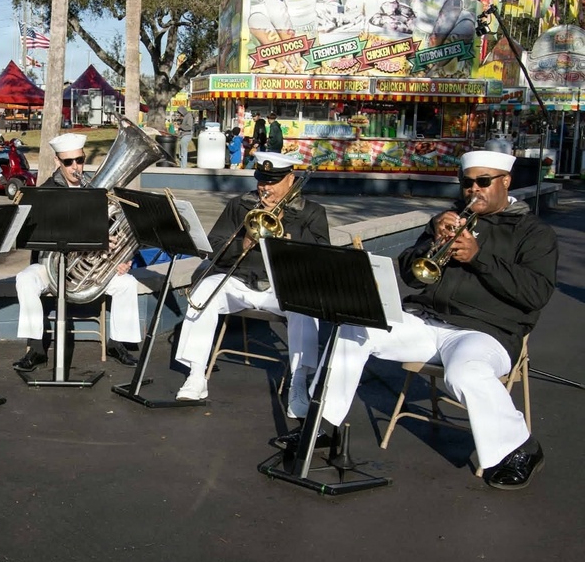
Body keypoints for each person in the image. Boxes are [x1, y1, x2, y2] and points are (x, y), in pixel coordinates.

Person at [286, 150, 557, 490]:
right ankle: (321, 427)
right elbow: (412, 277)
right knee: (354, 325)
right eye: (467, 183)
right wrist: (432, 236)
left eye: (483, 182)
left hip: (486, 332)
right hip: (426, 322)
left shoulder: (534, 233)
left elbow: (536, 294)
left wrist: (479, 256)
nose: (474, 190)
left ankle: (519, 448)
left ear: (506, 182)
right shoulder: (450, 218)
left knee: (465, 372)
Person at [175, 154, 329, 402]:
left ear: (290, 179)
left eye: (273, 181)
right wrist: (242, 242)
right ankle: (195, 375)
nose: (265, 187)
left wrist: (290, 241)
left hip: (283, 285)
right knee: (203, 292)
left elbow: (322, 256)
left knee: (305, 307)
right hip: (241, 279)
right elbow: (213, 247)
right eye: (261, 181)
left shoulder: (311, 212)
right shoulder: (240, 205)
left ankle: (299, 382)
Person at [12, 132, 141, 372]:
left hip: (90, 267)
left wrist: (123, 258)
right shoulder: (47, 192)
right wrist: (89, 239)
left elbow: (125, 227)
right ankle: (36, 348)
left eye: (79, 160)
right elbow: (38, 237)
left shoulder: (99, 190)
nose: (76, 167)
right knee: (25, 279)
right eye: (69, 162)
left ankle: (117, 343)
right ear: (58, 162)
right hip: (51, 267)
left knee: (128, 283)